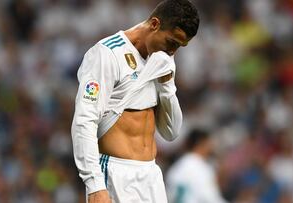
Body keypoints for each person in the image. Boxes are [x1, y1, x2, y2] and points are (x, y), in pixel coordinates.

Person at [71, 0, 199, 202]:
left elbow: (171, 132)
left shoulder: (162, 58)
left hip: (151, 176)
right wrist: (94, 184)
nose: (173, 52)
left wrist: (167, 87)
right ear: (155, 24)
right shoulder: (107, 54)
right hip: (115, 174)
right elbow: (84, 121)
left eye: (180, 46)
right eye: (172, 42)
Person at [166, 129, 227, 203]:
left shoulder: (176, 167)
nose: (211, 147)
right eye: (209, 143)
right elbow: (209, 198)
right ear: (202, 143)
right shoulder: (201, 168)